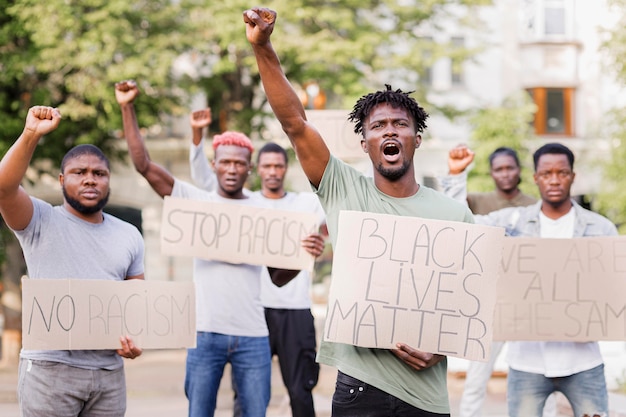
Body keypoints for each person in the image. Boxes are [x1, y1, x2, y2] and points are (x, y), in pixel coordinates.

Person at [244, 7, 475, 416]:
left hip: (426, 396)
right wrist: (263, 47)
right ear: (365, 143)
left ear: (416, 139)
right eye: (377, 125)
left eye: (400, 124)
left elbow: (472, 303)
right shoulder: (342, 190)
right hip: (359, 389)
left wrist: (441, 348)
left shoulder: (453, 214)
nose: (389, 130)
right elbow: (295, 123)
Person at [114, 80, 323, 417]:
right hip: (205, 333)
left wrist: (304, 257)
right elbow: (144, 167)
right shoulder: (197, 202)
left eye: (239, 163)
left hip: (254, 336)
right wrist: (127, 107)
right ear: (214, 165)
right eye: (224, 162)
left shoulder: (261, 211)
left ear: (249, 168)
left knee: (254, 413)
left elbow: (278, 278)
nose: (231, 169)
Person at [444, 142, 615, 417]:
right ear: (536, 178)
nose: (555, 180)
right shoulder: (513, 221)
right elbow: (462, 225)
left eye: (562, 172)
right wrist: (456, 176)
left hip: (584, 362)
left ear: (573, 175)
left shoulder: (601, 229)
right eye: (547, 174)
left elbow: (615, 289)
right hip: (527, 364)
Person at [0, 106, 145, 417]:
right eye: (80, 173)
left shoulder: (129, 235)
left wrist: (136, 339)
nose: (90, 179)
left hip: (108, 374)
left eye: (99, 173)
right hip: (49, 371)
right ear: (62, 179)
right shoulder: (39, 220)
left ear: (108, 181)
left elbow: (136, 305)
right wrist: (30, 135)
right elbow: (3, 187)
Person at [189, 111, 325, 417]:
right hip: (254, 312)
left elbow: (335, 189)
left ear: (286, 168)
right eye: (267, 166)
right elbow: (204, 178)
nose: (273, 172)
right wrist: (197, 137)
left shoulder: (306, 203)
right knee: (247, 394)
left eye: (279, 166)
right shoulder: (245, 205)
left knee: (301, 390)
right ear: (257, 170)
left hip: (295, 310)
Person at [440, 145, 547, 417]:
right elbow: (453, 214)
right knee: (477, 377)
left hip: (525, 303)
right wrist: (457, 171)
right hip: (489, 305)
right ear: (491, 172)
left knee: (535, 375)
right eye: (499, 169)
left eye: (510, 167)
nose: (505, 174)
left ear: (519, 171)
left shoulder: (535, 207)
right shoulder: (478, 202)